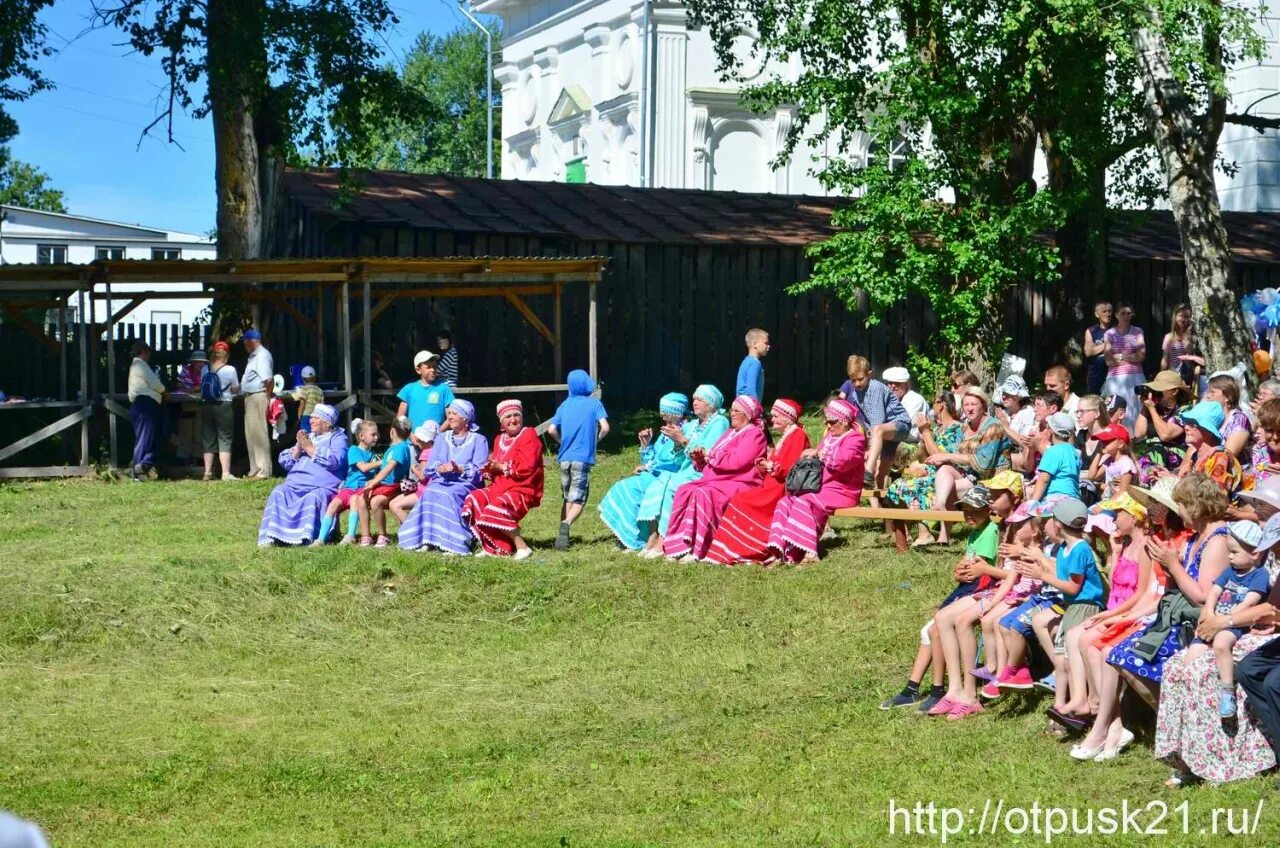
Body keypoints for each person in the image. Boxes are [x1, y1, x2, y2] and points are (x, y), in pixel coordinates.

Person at [1158, 517, 1280, 785]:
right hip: (1246, 625)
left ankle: (1224, 762)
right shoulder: (1260, 566)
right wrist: (1211, 618)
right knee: (1178, 668)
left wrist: (1223, 621)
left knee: (1205, 672)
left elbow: (1266, 609)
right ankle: (1186, 757)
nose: (1275, 551)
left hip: (1240, 628)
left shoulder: (1259, 571)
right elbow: (1270, 610)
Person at [926, 484, 1005, 720]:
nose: (969, 515)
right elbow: (970, 563)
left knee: (957, 620)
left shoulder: (990, 531)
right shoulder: (974, 533)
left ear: (988, 510)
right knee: (940, 619)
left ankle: (969, 694)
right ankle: (955, 690)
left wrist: (969, 570)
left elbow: (983, 568)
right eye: (965, 511)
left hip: (985, 587)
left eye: (975, 510)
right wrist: (960, 569)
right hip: (973, 584)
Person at [1178, 520, 1270, 719]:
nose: (1229, 556)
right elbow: (1213, 593)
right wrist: (1209, 614)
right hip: (1217, 619)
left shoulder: (1259, 575)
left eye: (1234, 552)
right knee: (1190, 657)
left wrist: (1223, 619)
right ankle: (1191, 703)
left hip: (1235, 624)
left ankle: (1227, 691)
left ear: (1255, 554)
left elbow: (1249, 602)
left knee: (1221, 643)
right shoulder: (1229, 571)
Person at [664, 395, 769, 562]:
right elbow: (713, 458)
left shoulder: (754, 434)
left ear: (748, 415)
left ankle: (702, 547)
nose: (732, 414)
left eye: (736, 411)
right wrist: (700, 458)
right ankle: (682, 544)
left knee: (704, 493)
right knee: (685, 489)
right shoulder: (729, 433)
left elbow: (738, 461)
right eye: (731, 410)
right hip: (719, 479)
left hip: (741, 481)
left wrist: (710, 455)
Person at [705, 399, 811, 565]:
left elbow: (790, 468)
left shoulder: (797, 435)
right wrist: (765, 466)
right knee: (741, 499)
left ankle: (748, 549)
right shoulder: (788, 435)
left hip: (781, 487)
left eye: (776, 416)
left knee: (741, 501)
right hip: (772, 483)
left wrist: (770, 466)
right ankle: (731, 549)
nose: (772, 419)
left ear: (787, 417)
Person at [766, 397, 867, 565]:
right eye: (826, 422)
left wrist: (818, 454)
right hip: (823, 487)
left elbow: (843, 461)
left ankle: (807, 553)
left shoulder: (855, 439)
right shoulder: (830, 437)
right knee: (786, 501)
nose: (828, 426)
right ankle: (781, 550)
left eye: (832, 422)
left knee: (804, 502)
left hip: (843, 490)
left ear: (844, 421)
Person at [636, 386, 732, 558]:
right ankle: (654, 535)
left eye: (700, 399)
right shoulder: (694, 424)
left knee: (673, 484)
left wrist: (683, 440)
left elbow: (706, 454)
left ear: (711, 404)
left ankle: (666, 538)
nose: (695, 402)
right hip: (686, 471)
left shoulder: (720, 422)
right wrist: (677, 442)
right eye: (694, 398)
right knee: (660, 483)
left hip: (705, 473)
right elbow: (680, 460)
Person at [599, 392, 694, 551]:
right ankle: (630, 537)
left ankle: (639, 539)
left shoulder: (686, 430)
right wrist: (646, 445)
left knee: (633, 489)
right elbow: (655, 459)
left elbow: (676, 461)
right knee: (623, 486)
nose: (663, 417)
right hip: (655, 474)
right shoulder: (666, 431)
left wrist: (650, 467)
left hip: (670, 476)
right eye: (662, 412)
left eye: (667, 413)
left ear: (677, 412)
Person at [398, 400, 490, 554]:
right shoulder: (442, 438)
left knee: (447, 494)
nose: (450, 418)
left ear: (466, 419)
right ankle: (427, 538)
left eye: (455, 414)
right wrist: (440, 468)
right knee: (429, 492)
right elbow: (430, 467)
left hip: (465, 484)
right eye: (449, 414)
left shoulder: (478, 440)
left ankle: (454, 541)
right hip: (442, 480)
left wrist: (459, 469)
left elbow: (481, 471)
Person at [462, 399, 544, 559]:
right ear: (501, 423)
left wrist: (500, 467)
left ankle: (522, 547)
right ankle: (495, 547)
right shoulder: (499, 439)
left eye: (516, 415)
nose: (513, 420)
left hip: (523, 488)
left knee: (496, 509)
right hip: (499, 486)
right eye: (508, 417)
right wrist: (489, 469)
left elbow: (527, 467)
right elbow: (496, 464)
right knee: (475, 499)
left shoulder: (529, 434)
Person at [257, 404, 347, 546]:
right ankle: (274, 536)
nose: (310, 420)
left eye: (315, 418)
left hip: (320, 486)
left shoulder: (337, 438)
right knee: (279, 492)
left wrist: (309, 448)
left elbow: (336, 461)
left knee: (314, 497)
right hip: (295, 484)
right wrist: (299, 447)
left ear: (327, 422)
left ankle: (306, 536)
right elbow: (286, 462)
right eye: (311, 417)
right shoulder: (310, 437)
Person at [885, 390, 965, 547]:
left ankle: (925, 534)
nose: (931, 406)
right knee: (897, 484)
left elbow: (941, 458)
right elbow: (925, 455)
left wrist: (926, 433)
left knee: (916, 486)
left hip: (945, 474)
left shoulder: (957, 429)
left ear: (941, 406)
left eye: (934, 403)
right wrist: (922, 442)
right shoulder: (936, 429)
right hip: (927, 470)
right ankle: (903, 533)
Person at [547, 369, 610, 551]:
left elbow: (551, 429)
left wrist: (561, 441)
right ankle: (566, 524)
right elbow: (605, 427)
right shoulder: (594, 404)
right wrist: (595, 440)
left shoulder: (564, 406)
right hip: (582, 459)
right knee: (579, 499)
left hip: (564, 458)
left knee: (567, 497)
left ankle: (562, 536)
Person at [840, 355, 910, 489]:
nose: (857, 384)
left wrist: (870, 449)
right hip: (883, 432)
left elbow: (877, 423)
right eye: (853, 381)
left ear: (870, 374)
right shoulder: (855, 393)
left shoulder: (875, 389)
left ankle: (867, 471)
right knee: (880, 475)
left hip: (900, 425)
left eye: (860, 379)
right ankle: (880, 506)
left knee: (877, 431)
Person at [315, 419, 381, 546]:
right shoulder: (354, 450)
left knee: (355, 500)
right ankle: (320, 539)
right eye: (373, 434)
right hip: (349, 487)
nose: (376, 437)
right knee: (333, 505)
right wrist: (381, 462)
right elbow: (363, 467)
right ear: (361, 436)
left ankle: (350, 535)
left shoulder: (373, 455)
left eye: (376, 434)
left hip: (361, 489)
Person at [353, 416, 413, 548]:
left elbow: (389, 468)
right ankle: (366, 535)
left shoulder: (401, 448)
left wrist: (374, 482)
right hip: (385, 485)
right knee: (361, 500)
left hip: (394, 486)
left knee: (376, 501)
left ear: (392, 431)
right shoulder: (393, 448)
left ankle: (382, 535)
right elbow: (384, 467)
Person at [1133, 369, 1193, 483]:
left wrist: (1152, 409)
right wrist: (1146, 407)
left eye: (1159, 389)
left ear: (1174, 391)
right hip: (1152, 452)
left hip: (1174, 454)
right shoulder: (1154, 408)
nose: (1156, 392)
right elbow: (1139, 434)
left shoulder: (1185, 410)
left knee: (1155, 453)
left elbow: (1166, 435)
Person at [126, 340, 168, 481]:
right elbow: (155, 383)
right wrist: (164, 391)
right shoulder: (140, 364)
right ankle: (139, 469)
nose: (149, 355)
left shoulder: (135, 365)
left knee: (148, 438)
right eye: (148, 352)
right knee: (145, 438)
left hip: (140, 404)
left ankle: (142, 467)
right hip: (146, 404)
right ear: (143, 351)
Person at [1102, 302, 1146, 426]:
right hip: (1115, 377)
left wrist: (1120, 356)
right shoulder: (1109, 334)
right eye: (1123, 313)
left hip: (1135, 375)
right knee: (1116, 407)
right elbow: (1108, 360)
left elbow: (1141, 355)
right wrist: (1131, 357)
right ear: (1116, 315)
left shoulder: (1137, 331)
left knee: (1136, 407)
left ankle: (1136, 438)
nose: (1126, 316)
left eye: (1128, 313)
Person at [387, 420, 438, 527]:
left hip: (423, 491)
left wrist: (414, 470)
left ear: (426, 441)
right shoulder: (437, 451)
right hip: (431, 489)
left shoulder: (425, 453)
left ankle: (411, 530)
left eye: (419, 440)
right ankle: (405, 530)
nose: (417, 441)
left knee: (395, 506)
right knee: (392, 503)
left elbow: (423, 477)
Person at [201, 342, 240, 481]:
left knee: (208, 438)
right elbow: (235, 389)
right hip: (224, 404)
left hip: (207, 405)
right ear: (227, 355)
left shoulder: (205, 369)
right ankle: (225, 473)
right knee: (225, 438)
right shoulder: (230, 369)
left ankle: (207, 472)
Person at [241, 328, 275, 480]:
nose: (243, 345)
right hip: (251, 397)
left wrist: (267, 397)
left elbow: (268, 379)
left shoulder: (262, 355)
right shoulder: (254, 356)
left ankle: (263, 470)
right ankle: (254, 469)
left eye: (245, 342)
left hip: (258, 397)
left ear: (250, 341)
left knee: (259, 434)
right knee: (251, 434)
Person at [396, 350, 455, 429]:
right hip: (413, 440)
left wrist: (438, 433)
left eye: (434, 366)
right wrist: (410, 435)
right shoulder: (409, 389)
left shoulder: (444, 388)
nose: (433, 370)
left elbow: (450, 417)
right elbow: (400, 417)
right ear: (418, 370)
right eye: (428, 367)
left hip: (436, 439)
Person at [1030, 413, 1081, 502]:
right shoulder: (1074, 452)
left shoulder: (1052, 451)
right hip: (1074, 499)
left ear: (1051, 431)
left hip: (1056, 499)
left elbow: (1044, 479)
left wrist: (1032, 503)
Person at [1204, 373, 1252, 459]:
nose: (1208, 396)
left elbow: (1228, 454)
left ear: (1227, 397)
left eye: (1212, 392)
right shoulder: (1215, 418)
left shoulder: (1239, 419)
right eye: (1208, 392)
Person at [1161, 303, 1206, 394]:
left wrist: (1189, 344)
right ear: (1175, 317)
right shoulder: (1169, 337)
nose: (1183, 319)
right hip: (1172, 375)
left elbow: (1193, 358)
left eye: (1186, 316)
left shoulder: (1194, 337)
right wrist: (1161, 376)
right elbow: (1165, 359)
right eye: (1180, 315)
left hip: (1188, 377)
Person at [883, 367, 928, 442]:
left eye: (897, 383)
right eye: (890, 383)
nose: (893, 386)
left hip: (912, 444)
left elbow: (904, 427)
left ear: (906, 384)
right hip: (894, 439)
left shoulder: (915, 400)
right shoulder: (889, 399)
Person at [1083, 300, 1114, 395]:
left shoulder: (1116, 330)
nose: (1108, 314)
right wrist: (1108, 344)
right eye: (1104, 311)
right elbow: (1088, 352)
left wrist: (1096, 349)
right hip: (1095, 375)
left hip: (1113, 373)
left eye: (1109, 311)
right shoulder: (1091, 331)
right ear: (1097, 314)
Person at [737, 328, 770, 401]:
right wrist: (755, 409)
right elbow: (751, 389)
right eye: (766, 343)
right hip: (748, 407)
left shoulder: (746, 361)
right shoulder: (755, 363)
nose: (768, 346)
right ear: (754, 344)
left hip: (741, 404)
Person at [290, 366, 325, 433]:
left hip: (306, 417)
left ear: (303, 379)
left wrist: (299, 417)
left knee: (305, 435)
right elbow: (322, 405)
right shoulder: (319, 390)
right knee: (315, 435)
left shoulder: (304, 389)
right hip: (316, 416)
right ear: (315, 378)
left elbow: (302, 405)